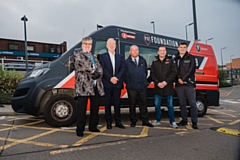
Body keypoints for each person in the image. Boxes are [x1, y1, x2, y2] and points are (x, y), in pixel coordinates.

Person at [74, 37, 105, 137]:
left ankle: (93, 126)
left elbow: (100, 68)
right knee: (81, 108)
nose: (88, 46)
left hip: (95, 85)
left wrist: (98, 73)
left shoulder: (94, 56)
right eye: (86, 44)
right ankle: (80, 129)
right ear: (82, 45)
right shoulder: (78, 54)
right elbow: (80, 66)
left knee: (95, 107)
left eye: (90, 44)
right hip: (83, 86)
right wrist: (93, 72)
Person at [124, 45, 153, 127]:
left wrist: (144, 82)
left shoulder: (143, 60)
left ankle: (145, 120)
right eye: (133, 50)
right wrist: (129, 82)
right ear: (130, 52)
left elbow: (145, 73)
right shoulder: (126, 62)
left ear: (138, 51)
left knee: (143, 104)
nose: (135, 52)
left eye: (136, 50)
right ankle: (133, 121)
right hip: (131, 87)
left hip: (142, 87)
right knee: (132, 105)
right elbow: (124, 75)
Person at [99, 38, 125, 129]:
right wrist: (110, 78)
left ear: (115, 45)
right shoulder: (102, 57)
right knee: (108, 104)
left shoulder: (120, 57)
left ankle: (118, 122)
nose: (111, 45)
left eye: (113, 44)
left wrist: (116, 77)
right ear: (106, 46)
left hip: (117, 83)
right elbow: (102, 69)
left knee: (117, 104)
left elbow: (122, 68)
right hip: (107, 83)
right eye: (109, 44)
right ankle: (109, 122)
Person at [150, 46, 178, 128]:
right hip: (158, 87)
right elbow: (152, 74)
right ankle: (157, 120)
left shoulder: (171, 61)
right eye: (160, 51)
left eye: (164, 50)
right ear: (158, 52)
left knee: (170, 105)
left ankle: (172, 122)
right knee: (157, 105)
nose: (162, 52)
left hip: (168, 87)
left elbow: (174, 73)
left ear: (166, 52)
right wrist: (158, 83)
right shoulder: (154, 62)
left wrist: (165, 82)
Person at [174, 41, 198, 129]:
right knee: (182, 104)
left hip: (189, 84)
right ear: (178, 48)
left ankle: (194, 122)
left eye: (184, 47)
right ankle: (184, 120)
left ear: (186, 48)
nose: (182, 49)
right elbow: (174, 71)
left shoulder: (191, 58)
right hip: (179, 85)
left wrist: (183, 79)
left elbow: (191, 70)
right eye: (181, 47)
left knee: (192, 104)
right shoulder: (175, 59)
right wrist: (178, 79)